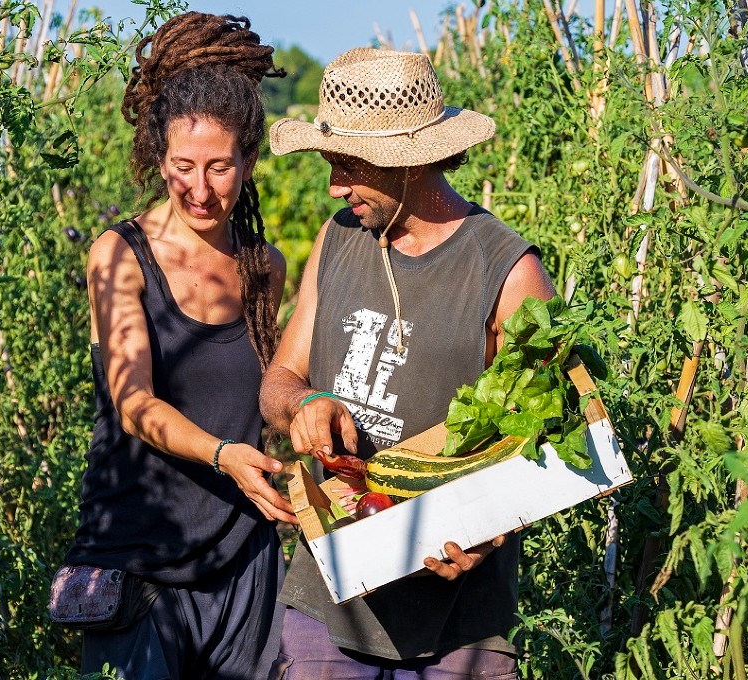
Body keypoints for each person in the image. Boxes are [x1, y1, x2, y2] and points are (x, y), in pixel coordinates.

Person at [258, 48, 557, 678]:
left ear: (411, 162)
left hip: (458, 631)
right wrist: (304, 404)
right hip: (327, 611)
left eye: (349, 166)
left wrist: (487, 531)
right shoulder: (339, 238)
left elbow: (548, 438)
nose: (334, 186)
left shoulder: (506, 270)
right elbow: (279, 381)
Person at [62, 12, 295, 680]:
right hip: (141, 565)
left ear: (249, 161)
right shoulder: (120, 255)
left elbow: (269, 398)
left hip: (244, 566)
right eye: (182, 167)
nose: (200, 188)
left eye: (220, 167)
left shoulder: (263, 268)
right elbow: (133, 404)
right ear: (157, 159)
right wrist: (223, 455)